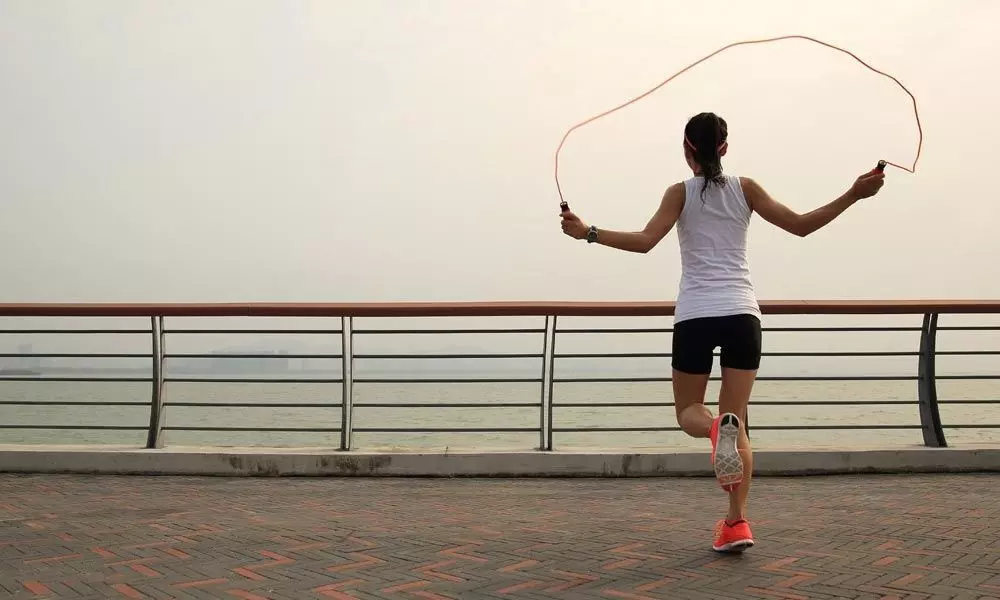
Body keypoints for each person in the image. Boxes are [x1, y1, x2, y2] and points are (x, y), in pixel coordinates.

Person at [559, 111, 885, 552]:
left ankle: (714, 432)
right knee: (739, 423)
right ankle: (737, 523)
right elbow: (803, 225)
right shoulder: (745, 188)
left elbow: (644, 241)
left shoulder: (679, 193)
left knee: (690, 411)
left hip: (695, 314)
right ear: (725, 149)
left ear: (686, 150)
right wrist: (855, 192)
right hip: (742, 316)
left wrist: (588, 233)